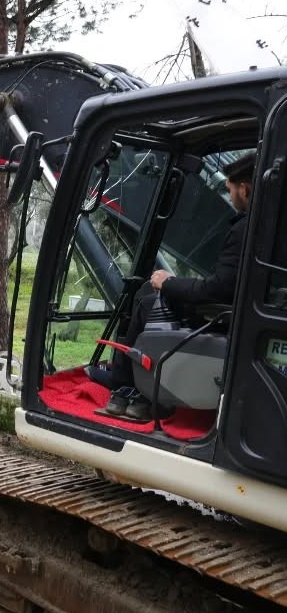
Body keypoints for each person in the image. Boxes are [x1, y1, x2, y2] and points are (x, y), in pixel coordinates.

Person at [100, 152, 255, 420]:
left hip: (227, 315)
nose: (230, 197)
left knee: (148, 301)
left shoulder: (245, 229)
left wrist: (169, 282)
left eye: (230, 191)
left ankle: (126, 385)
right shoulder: (270, 226)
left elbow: (217, 290)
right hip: (246, 310)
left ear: (244, 188)